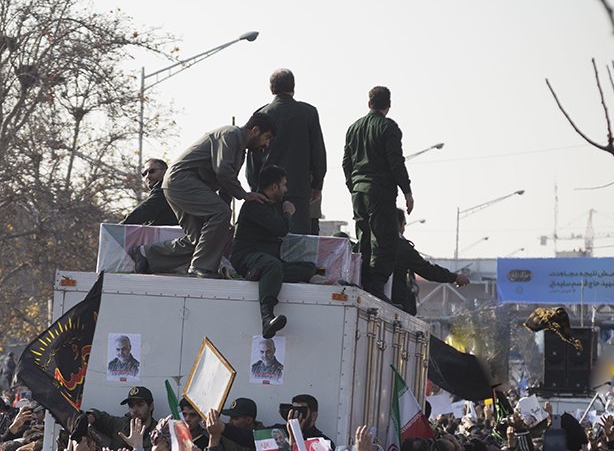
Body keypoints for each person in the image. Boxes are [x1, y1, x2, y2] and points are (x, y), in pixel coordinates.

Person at [129, 113, 276, 278]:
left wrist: (223, 223)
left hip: (180, 184)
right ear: (255, 130)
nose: (267, 144)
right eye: (267, 137)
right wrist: (243, 195)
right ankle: (201, 267)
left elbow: (226, 186)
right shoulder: (231, 134)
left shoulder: (240, 151)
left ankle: (146, 255)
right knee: (219, 217)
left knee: (202, 241)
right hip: (182, 181)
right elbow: (223, 172)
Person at [343, 86, 413, 301]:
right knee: (384, 239)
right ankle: (377, 286)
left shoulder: (353, 128)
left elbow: (346, 162)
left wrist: (353, 185)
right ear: (388, 105)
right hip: (380, 191)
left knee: (363, 237)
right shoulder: (388, 127)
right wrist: (407, 191)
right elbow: (396, 162)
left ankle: (361, 278)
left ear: (369, 103)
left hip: (359, 192)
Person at [231, 165, 317, 338]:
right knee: (272, 265)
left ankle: (263, 275)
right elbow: (280, 229)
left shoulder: (271, 205)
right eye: (284, 185)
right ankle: (267, 318)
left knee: (308, 268)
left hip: (267, 260)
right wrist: (288, 213)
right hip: (247, 257)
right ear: (274, 187)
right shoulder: (256, 205)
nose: (286, 189)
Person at [247, 68, 327, 235]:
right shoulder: (308, 113)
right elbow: (318, 153)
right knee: (298, 241)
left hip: (267, 190)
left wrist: (256, 187)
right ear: (293, 87)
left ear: (271, 88)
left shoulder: (261, 114)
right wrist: (316, 185)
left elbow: (253, 157)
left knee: (269, 238)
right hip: (299, 187)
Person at [393, 208, 470, 315]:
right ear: (399, 225)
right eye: (404, 225)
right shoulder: (403, 248)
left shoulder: (371, 242)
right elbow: (427, 270)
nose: (404, 229)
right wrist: (454, 277)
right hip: (396, 304)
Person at [86, 385, 158, 451]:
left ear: (151, 406)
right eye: (131, 405)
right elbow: (99, 416)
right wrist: (87, 419)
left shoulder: (158, 433)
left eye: (140, 405)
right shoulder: (121, 424)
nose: (134, 410)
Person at [120, 158, 178, 226]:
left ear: (165, 172)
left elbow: (145, 210)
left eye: (152, 171)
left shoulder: (166, 189)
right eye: (144, 174)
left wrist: (117, 228)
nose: (147, 176)